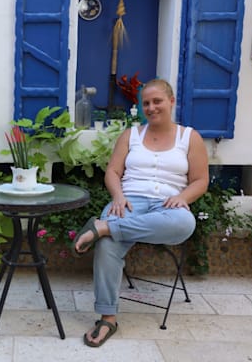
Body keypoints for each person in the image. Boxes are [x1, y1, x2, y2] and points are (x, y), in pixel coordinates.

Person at [72, 78, 209, 347]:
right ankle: (107, 318)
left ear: (171, 101)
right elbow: (113, 172)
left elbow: (200, 180)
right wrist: (118, 196)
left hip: (167, 206)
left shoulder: (189, 137)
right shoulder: (131, 135)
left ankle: (103, 227)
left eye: (157, 101)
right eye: (146, 103)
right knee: (108, 245)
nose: (151, 107)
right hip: (128, 202)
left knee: (184, 223)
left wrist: (182, 197)